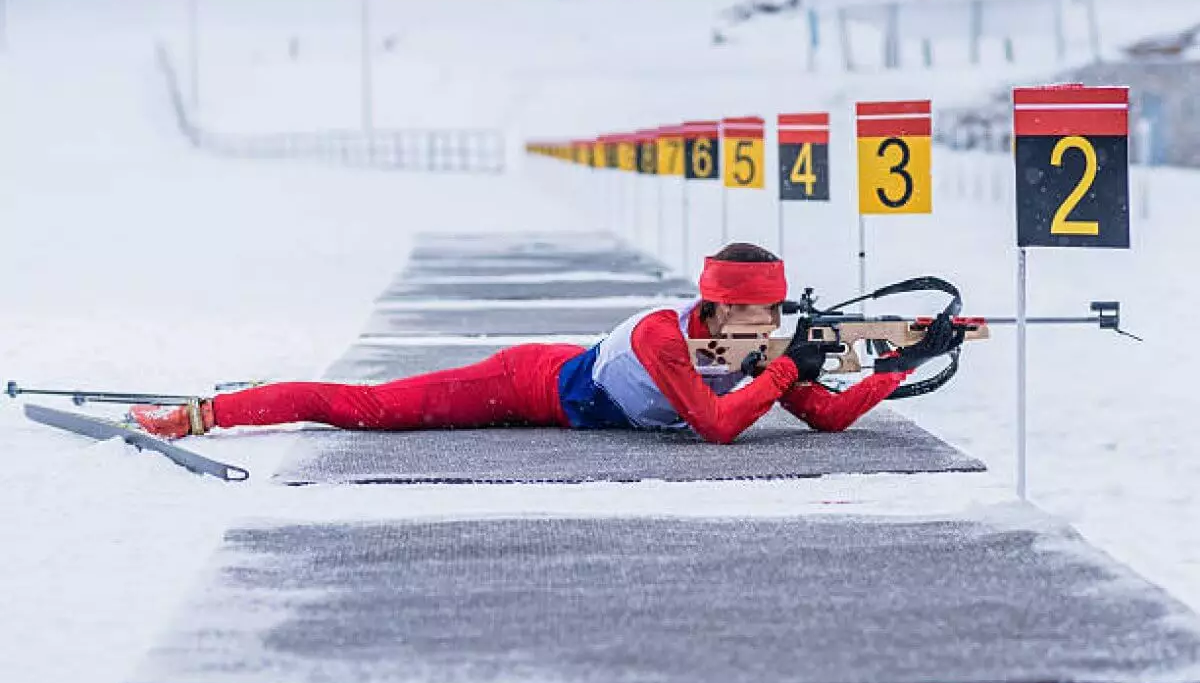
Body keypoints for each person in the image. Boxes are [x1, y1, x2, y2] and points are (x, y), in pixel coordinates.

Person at [130, 242, 961, 444]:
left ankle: (219, 400)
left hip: (575, 379)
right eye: (760, 319)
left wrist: (898, 364)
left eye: (777, 319)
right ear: (716, 311)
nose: (771, 332)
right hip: (524, 382)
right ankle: (205, 412)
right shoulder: (662, 337)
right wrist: (784, 369)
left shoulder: (753, 345)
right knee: (368, 410)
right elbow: (715, 426)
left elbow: (828, 418)